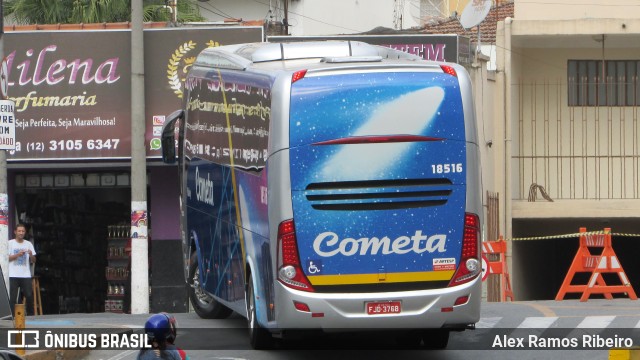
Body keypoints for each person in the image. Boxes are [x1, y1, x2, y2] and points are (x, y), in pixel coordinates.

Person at [8, 223, 36, 316]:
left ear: (25, 232)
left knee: (29, 295)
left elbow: (34, 260)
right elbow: (6, 259)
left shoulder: (28, 244)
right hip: (13, 275)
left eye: (23, 231)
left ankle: (31, 316)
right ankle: (12, 317)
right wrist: (17, 255)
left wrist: (31, 254)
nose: (21, 233)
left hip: (25, 275)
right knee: (12, 298)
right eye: (19, 231)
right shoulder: (10, 243)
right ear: (15, 232)